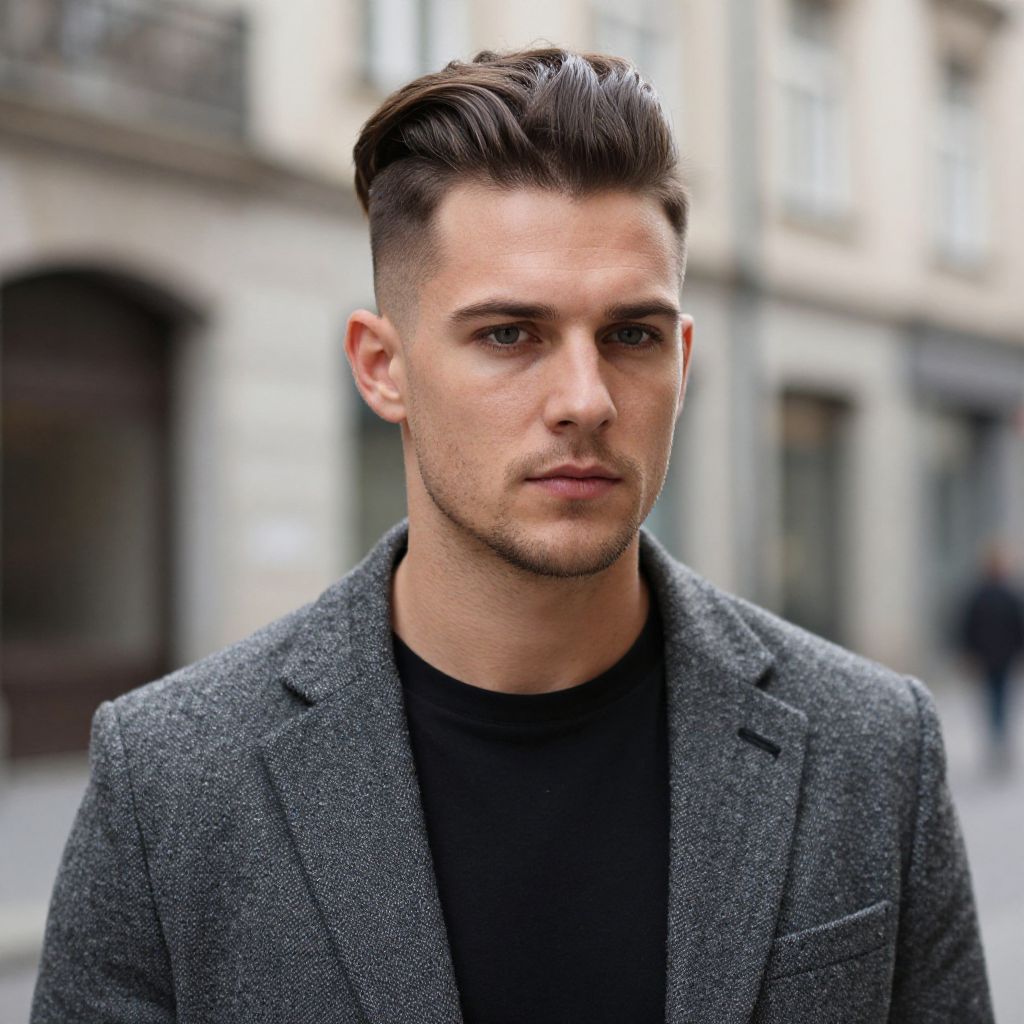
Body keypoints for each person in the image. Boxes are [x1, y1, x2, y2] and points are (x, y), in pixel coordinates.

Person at [32, 49, 993, 1023]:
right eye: (509, 335)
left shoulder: (872, 751)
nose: (584, 400)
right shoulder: (171, 780)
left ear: (684, 360)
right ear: (382, 367)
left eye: (631, 336)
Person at [960, 540, 1024, 768]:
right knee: (997, 698)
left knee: (997, 698)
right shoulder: (992, 595)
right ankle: (997, 738)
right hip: (994, 656)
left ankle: (997, 738)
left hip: (995, 656)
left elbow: (1018, 627)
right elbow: (969, 626)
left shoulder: (990, 595)